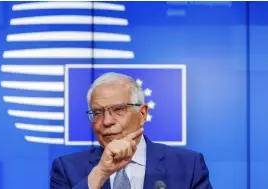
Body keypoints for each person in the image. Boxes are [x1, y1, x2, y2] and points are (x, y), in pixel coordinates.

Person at [50, 72, 212, 189]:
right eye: (97, 113)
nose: (107, 121)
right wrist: (100, 173)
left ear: (142, 114)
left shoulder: (188, 165)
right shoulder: (67, 169)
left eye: (119, 109)